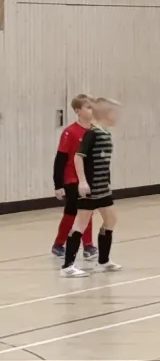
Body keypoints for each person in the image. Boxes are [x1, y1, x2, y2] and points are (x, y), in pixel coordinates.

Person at [63, 97, 119, 276]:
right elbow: (78, 157)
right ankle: (67, 266)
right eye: (112, 112)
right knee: (81, 223)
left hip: (103, 187)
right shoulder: (92, 134)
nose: (116, 115)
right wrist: (83, 181)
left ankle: (103, 261)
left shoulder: (106, 133)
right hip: (91, 187)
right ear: (104, 114)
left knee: (111, 219)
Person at [50, 94, 95, 264]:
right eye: (88, 107)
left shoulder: (95, 131)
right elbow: (60, 159)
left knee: (87, 211)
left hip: (89, 178)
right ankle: (60, 244)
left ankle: (88, 246)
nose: (92, 110)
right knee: (72, 212)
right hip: (71, 178)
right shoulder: (70, 132)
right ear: (78, 111)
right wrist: (58, 184)